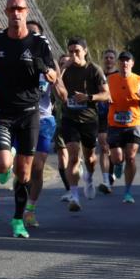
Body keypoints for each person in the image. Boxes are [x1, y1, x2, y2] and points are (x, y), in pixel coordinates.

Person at [0, 0, 57, 238]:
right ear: (6, 12)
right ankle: (5, 164)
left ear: (26, 11)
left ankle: (17, 220)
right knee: (2, 164)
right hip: (2, 112)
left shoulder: (39, 43)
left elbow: (54, 75)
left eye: (20, 9)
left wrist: (45, 69)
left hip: (29, 113)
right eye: (12, 9)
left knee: (24, 174)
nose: (16, 13)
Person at [56, 37, 109, 212]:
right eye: (70, 51)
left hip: (88, 119)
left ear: (85, 51)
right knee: (72, 157)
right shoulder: (66, 69)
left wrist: (88, 98)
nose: (73, 55)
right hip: (69, 119)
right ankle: (75, 196)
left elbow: (106, 95)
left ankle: (89, 177)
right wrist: (63, 67)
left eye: (77, 51)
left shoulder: (94, 69)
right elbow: (56, 84)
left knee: (90, 158)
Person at [22, 29, 61, 229]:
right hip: (21, 118)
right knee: (21, 169)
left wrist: (48, 74)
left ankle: (30, 209)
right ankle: (19, 206)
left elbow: (63, 94)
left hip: (44, 119)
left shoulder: (51, 65)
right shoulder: (17, 60)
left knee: (36, 167)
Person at [106, 51, 140, 204]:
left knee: (131, 158)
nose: (125, 64)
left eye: (128, 61)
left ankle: (127, 192)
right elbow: (101, 93)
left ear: (132, 64)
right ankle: (118, 165)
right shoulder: (109, 79)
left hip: (133, 124)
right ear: (118, 64)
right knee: (117, 158)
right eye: (122, 61)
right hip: (114, 125)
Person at [95, 49, 118, 194]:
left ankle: (113, 171)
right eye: (106, 57)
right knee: (104, 145)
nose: (108, 60)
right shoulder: (98, 74)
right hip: (102, 114)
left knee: (115, 150)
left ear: (115, 60)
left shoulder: (119, 75)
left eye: (111, 58)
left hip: (117, 114)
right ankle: (106, 180)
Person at [53, 53, 73, 202]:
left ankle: (76, 174)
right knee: (62, 156)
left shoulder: (77, 77)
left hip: (77, 120)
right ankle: (68, 189)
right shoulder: (56, 80)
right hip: (60, 120)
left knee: (74, 156)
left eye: (67, 63)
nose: (65, 65)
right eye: (62, 63)